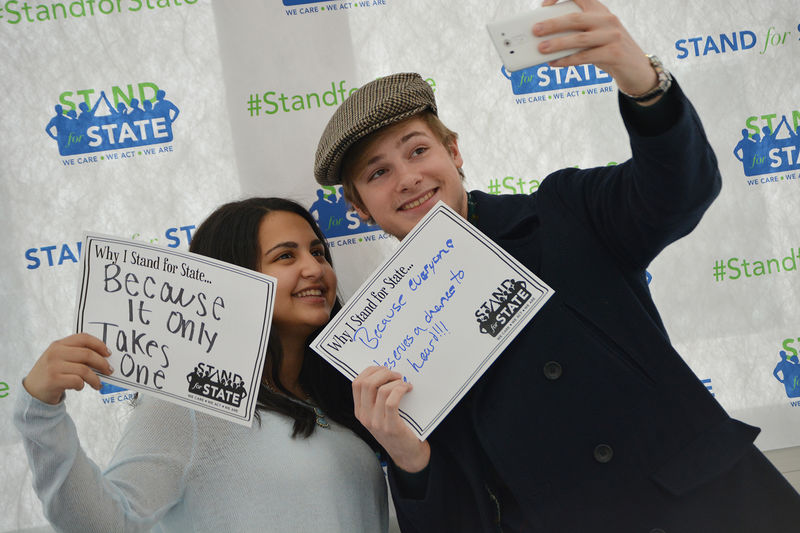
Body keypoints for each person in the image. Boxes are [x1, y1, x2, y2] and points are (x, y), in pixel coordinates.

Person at [312, 1, 800, 531]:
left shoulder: (563, 210)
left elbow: (680, 190)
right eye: (378, 172)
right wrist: (409, 462)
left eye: (417, 150)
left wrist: (645, 87)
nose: (406, 177)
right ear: (359, 208)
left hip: (721, 510)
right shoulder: (382, 344)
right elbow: (457, 519)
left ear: (454, 152)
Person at [13, 198, 389, 533]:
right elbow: (105, 523)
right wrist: (41, 414)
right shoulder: (189, 406)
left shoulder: (339, 399)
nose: (315, 268)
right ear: (232, 279)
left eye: (319, 252)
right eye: (286, 256)